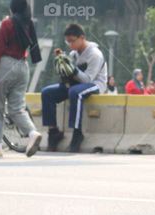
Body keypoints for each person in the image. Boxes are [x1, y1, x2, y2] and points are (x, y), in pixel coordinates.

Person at [0, 0, 43, 158]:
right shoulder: (28, 23)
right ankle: (32, 133)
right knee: (17, 108)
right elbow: (34, 48)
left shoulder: (7, 23)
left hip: (5, 65)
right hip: (23, 66)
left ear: (13, 7)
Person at [40, 23, 107, 152]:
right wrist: (61, 66)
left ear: (82, 37)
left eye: (72, 41)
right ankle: (53, 132)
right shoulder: (74, 53)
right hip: (75, 84)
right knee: (47, 93)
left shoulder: (95, 54)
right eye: (68, 42)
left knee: (75, 92)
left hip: (96, 85)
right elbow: (69, 76)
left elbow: (88, 79)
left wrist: (73, 69)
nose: (70, 45)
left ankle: (77, 134)